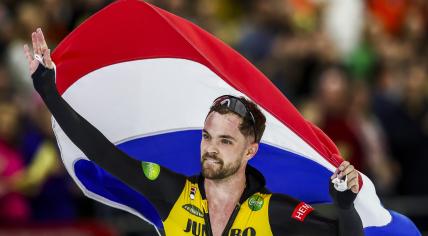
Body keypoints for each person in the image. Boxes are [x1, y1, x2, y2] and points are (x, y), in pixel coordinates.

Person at [24, 28, 363, 236]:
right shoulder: (172, 192)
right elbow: (102, 152)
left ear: (250, 150)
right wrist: (48, 91)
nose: (211, 148)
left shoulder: (273, 212)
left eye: (226, 140)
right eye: (208, 136)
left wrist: (345, 207)